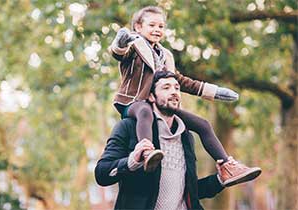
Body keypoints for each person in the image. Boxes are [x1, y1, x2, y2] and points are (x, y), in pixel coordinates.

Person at [109, 5, 261, 186]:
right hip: (134, 102)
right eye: (152, 26)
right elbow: (119, 54)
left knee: (202, 124)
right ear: (138, 27)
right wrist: (121, 42)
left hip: (160, 104)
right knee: (145, 112)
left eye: (161, 26)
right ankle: (147, 152)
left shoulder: (165, 56)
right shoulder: (134, 47)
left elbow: (181, 81)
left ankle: (228, 167)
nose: (157, 30)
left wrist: (213, 91)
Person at [95, 71, 235, 210]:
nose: (174, 92)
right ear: (151, 96)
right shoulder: (128, 127)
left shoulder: (186, 136)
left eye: (177, 88)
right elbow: (101, 174)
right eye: (166, 88)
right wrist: (132, 161)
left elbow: (189, 192)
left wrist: (219, 180)